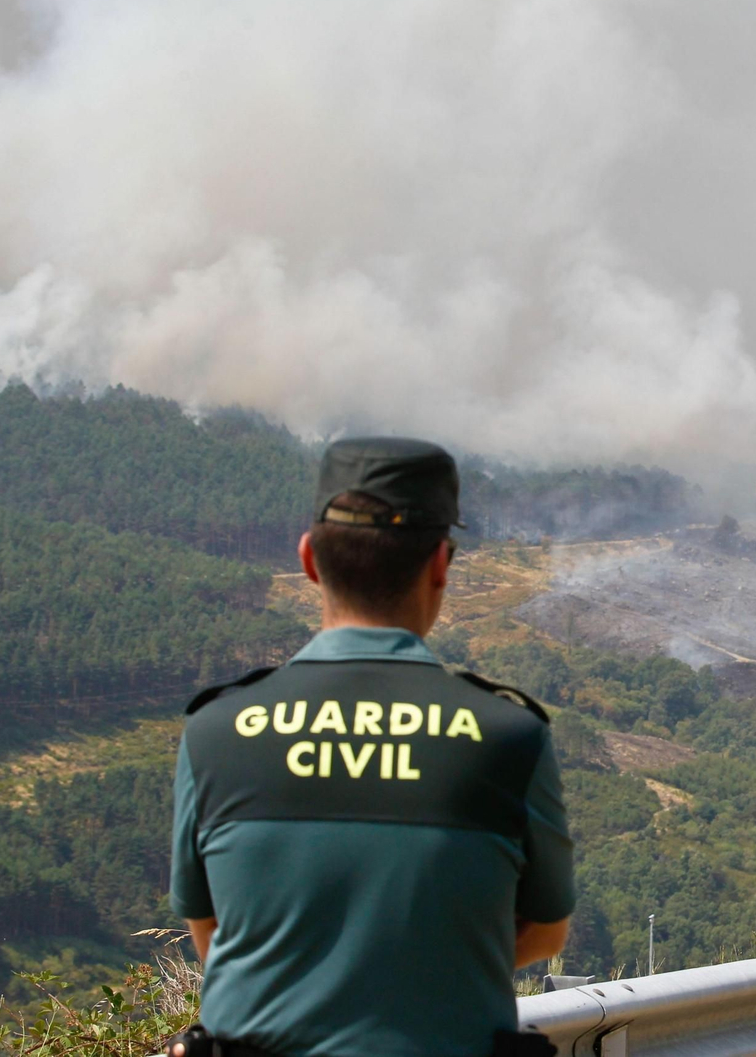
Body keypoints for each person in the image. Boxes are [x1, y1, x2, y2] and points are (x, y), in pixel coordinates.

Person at [170, 437, 574, 1057]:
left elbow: (214, 934)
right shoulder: (508, 736)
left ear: (309, 560)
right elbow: (546, 932)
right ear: (440, 563)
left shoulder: (217, 732)